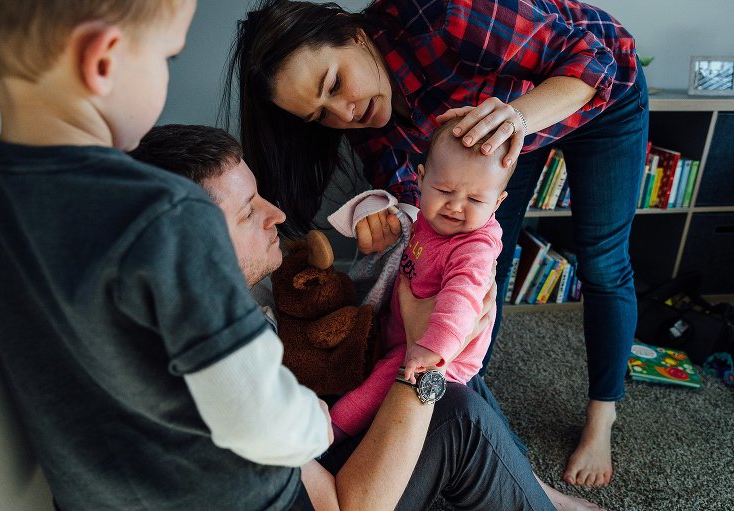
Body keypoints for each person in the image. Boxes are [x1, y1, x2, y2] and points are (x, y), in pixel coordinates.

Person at [229, 0, 650, 487]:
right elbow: (423, 211)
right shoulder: (370, 128)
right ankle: (461, 408)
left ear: (353, 33)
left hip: (598, 91)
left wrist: (516, 117)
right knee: (481, 271)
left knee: (602, 260)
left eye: (335, 84)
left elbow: (594, 61)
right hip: (499, 138)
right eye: (320, 115)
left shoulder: (443, 12)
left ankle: (602, 415)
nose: (344, 113)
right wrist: (383, 215)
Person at [0, 2, 334, 509]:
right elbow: (256, 414)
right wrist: (313, 423)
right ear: (103, 62)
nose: (165, 73)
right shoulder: (168, 213)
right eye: (168, 56)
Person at [130, 123, 605, 511]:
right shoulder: (217, 365)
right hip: (338, 494)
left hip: (305, 445)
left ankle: (536, 491)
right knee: (458, 411)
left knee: (465, 384)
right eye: (248, 213)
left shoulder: (179, 305)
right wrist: (427, 368)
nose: (276, 214)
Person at [328, 119, 512, 440]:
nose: (455, 207)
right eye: (444, 190)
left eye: (475, 200)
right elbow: (395, 215)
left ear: (497, 203)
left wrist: (431, 350)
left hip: (438, 349)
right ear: (422, 178)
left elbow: (462, 298)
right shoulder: (429, 216)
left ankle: (329, 432)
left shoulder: (475, 246)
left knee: (374, 390)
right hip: (404, 327)